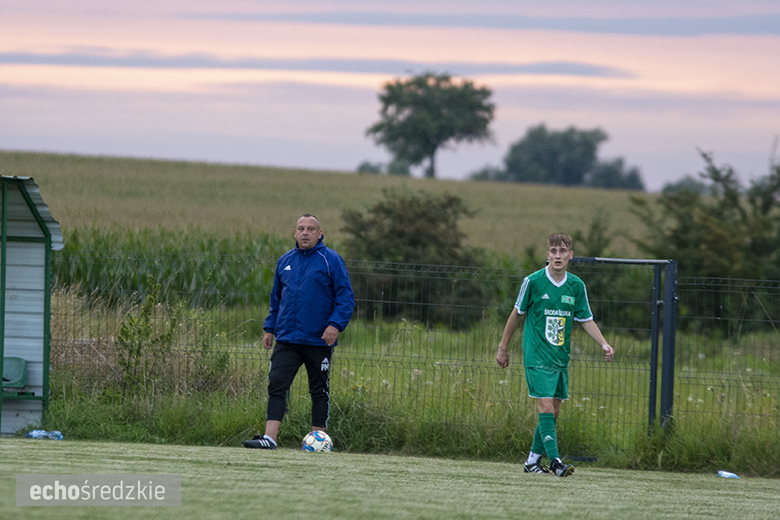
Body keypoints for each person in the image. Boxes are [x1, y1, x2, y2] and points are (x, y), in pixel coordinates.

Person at [496, 233, 614, 476]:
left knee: (554, 411)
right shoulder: (533, 282)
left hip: (559, 358)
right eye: (553, 251)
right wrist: (503, 348)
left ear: (570, 256)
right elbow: (516, 314)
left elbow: (586, 319)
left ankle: (531, 461)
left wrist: (604, 343)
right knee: (546, 408)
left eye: (562, 251)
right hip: (536, 356)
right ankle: (556, 461)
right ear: (547, 255)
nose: (557, 256)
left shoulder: (576, 286)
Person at [244, 214, 355, 449]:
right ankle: (269, 439)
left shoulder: (331, 260)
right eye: (301, 228)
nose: (305, 233)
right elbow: (277, 299)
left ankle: (319, 441)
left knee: (318, 389)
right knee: (276, 383)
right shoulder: (285, 261)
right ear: (294, 233)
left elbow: (346, 298)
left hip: (318, 340)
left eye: (311, 229)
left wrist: (334, 325)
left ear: (320, 233)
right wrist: (269, 328)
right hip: (287, 338)